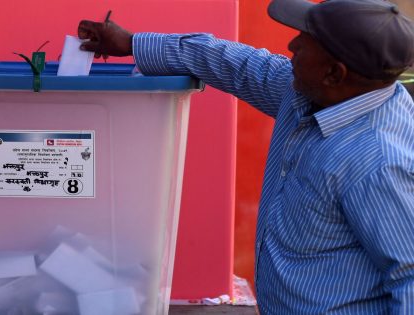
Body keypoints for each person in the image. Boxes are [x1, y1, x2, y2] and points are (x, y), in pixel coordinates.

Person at [78, 0, 414, 313]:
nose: (292, 46)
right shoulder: (310, 91)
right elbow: (233, 62)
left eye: (305, 40)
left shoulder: (377, 163)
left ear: (334, 73)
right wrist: (133, 43)